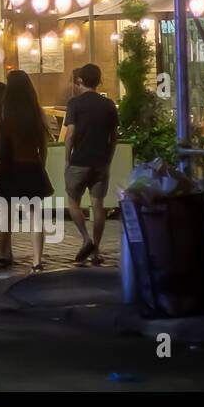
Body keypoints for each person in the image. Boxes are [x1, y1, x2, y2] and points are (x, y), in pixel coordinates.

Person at [0, 69, 55, 272]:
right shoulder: (36, 110)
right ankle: (36, 260)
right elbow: (43, 144)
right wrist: (41, 164)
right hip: (31, 164)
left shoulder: (2, 108)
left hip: (8, 166)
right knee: (35, 214)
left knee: (5, 213)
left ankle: (4, 253)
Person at [63, 64, 119, 266]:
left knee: (73, 201)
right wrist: (109, 157)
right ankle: (96, 251)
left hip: (80, 161)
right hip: (101, 162)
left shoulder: (75, 104)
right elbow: (113, 136)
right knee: (98, 206)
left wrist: (67, 158)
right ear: (99, 81)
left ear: (80, 81)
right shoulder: (109, 105)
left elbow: (71, 133)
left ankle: (86, 239)